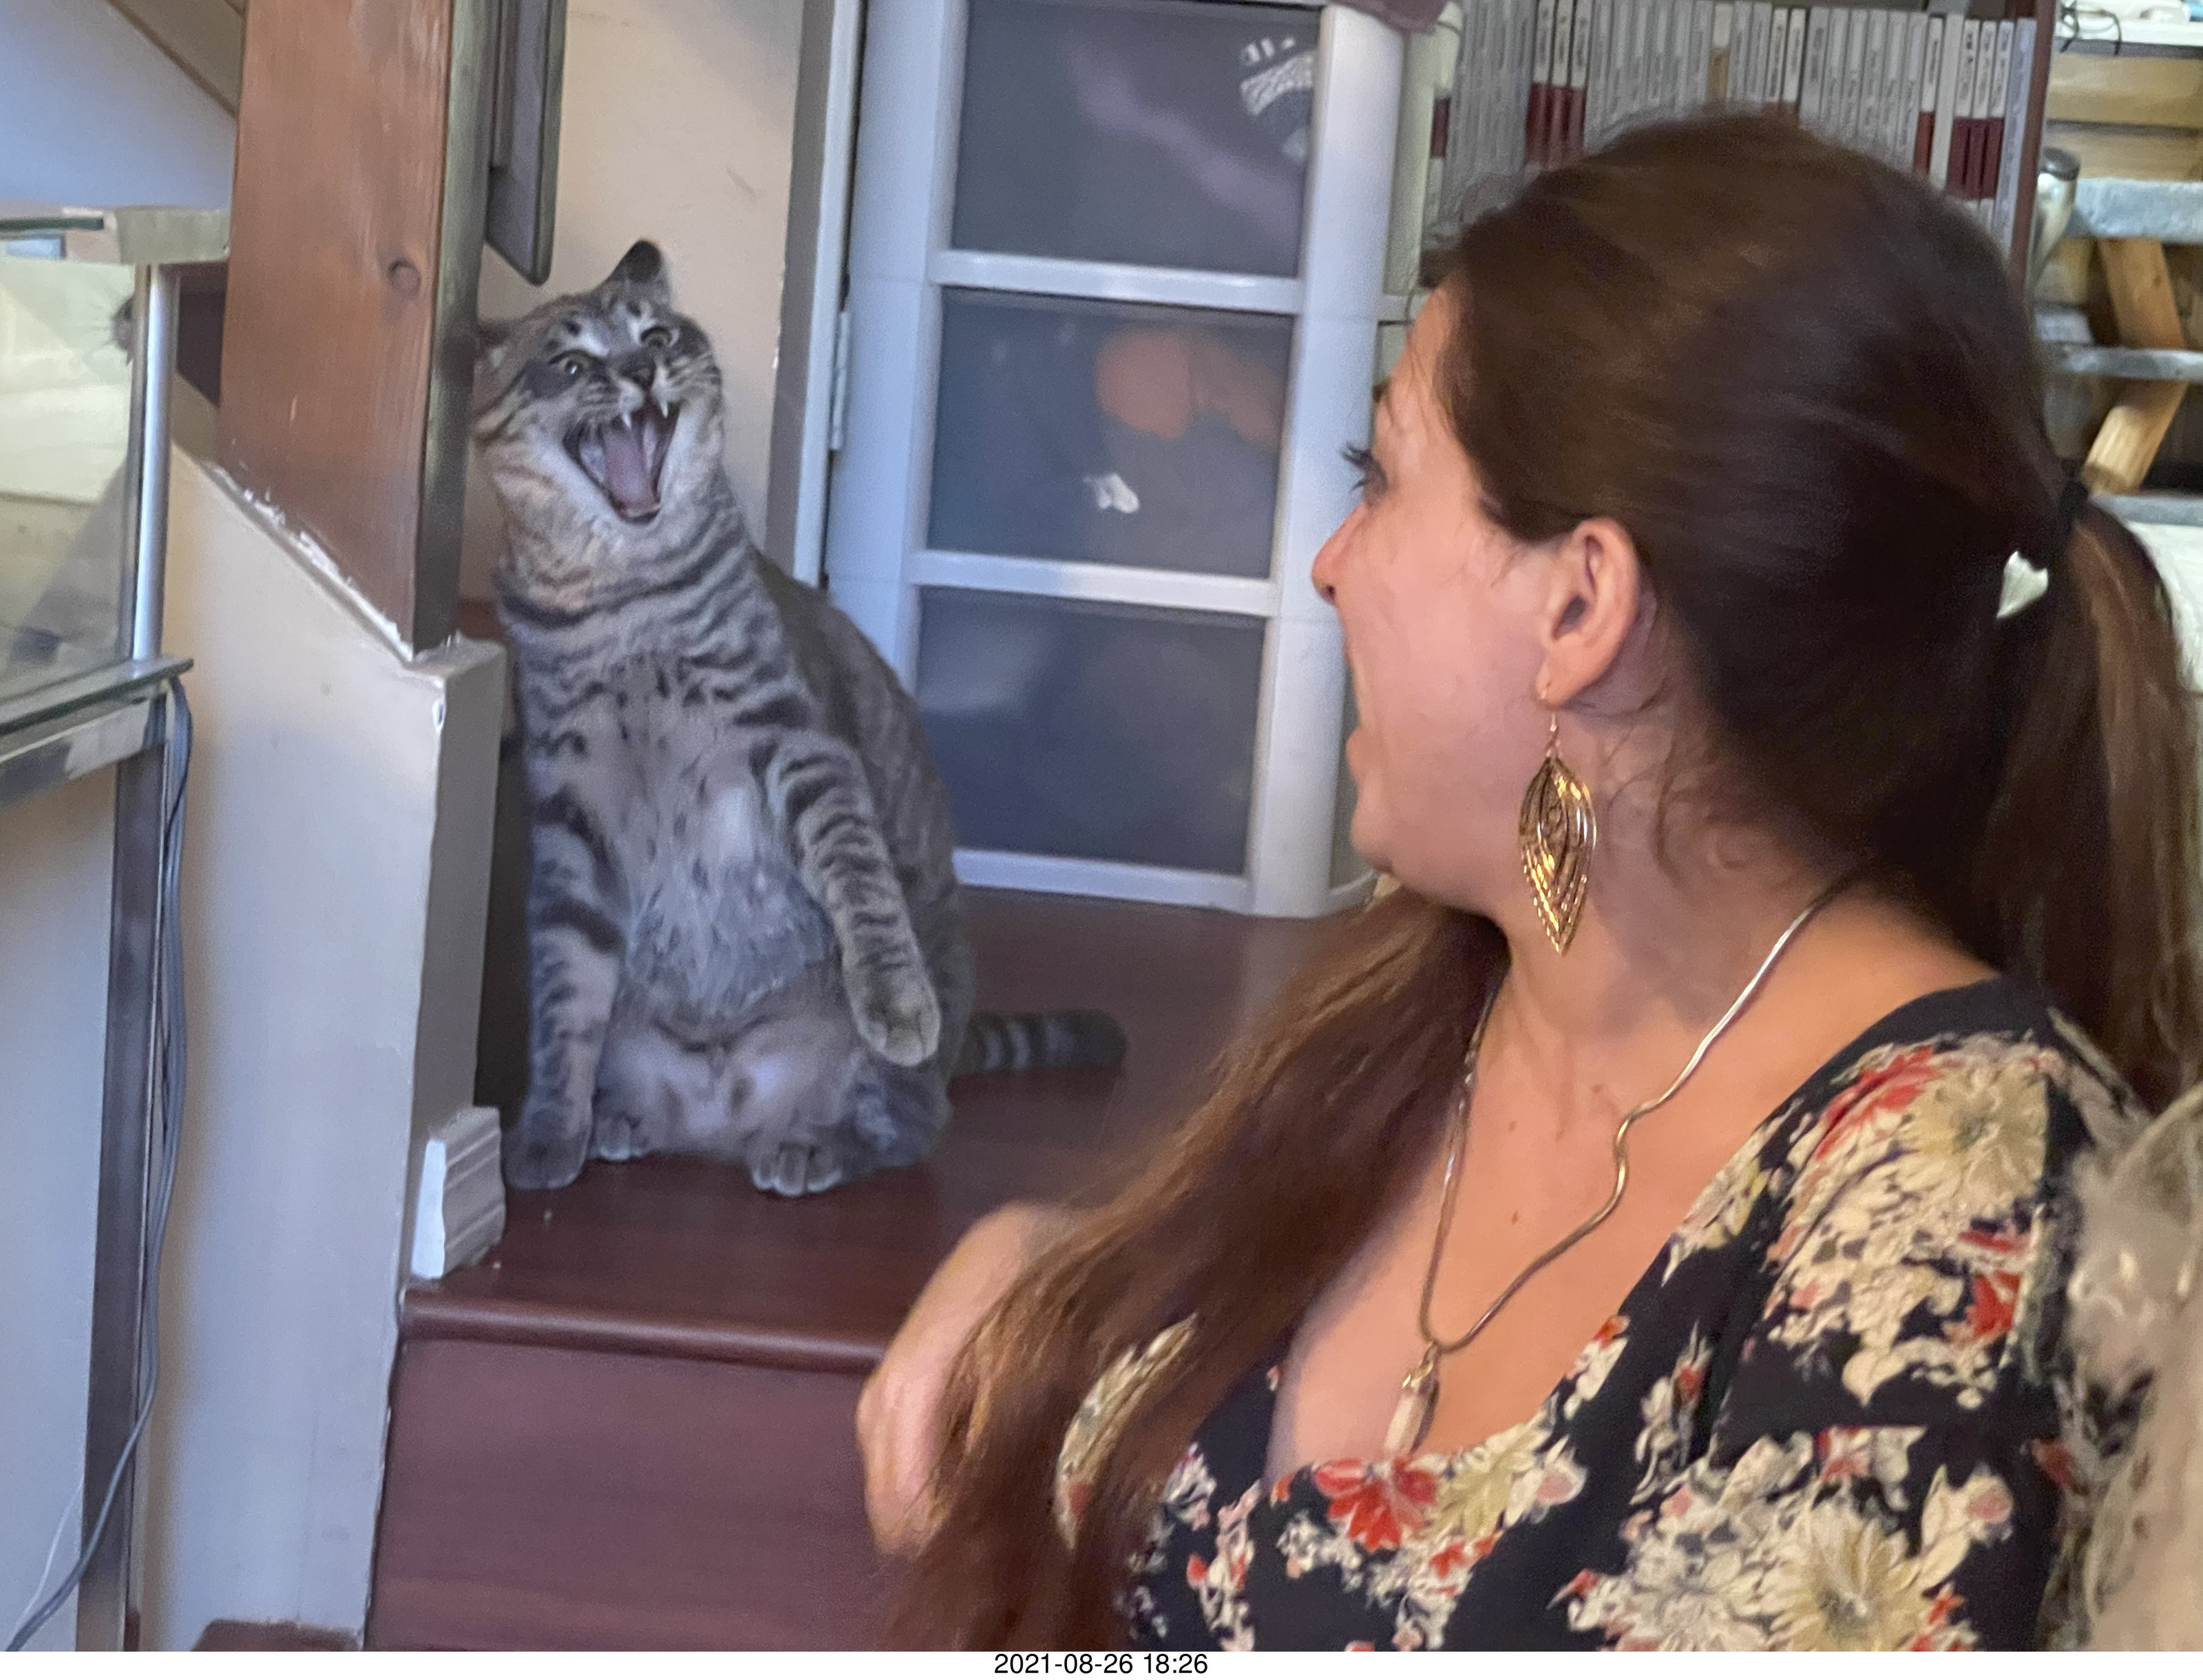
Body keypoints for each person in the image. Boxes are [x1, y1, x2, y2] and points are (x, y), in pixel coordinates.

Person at [856, 115, 2203, 1650]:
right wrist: (1062, 1280)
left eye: (1381, 479)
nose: (1331, 562)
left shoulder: (1959, 1203)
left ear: (1580, 607)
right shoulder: (1452, 986)